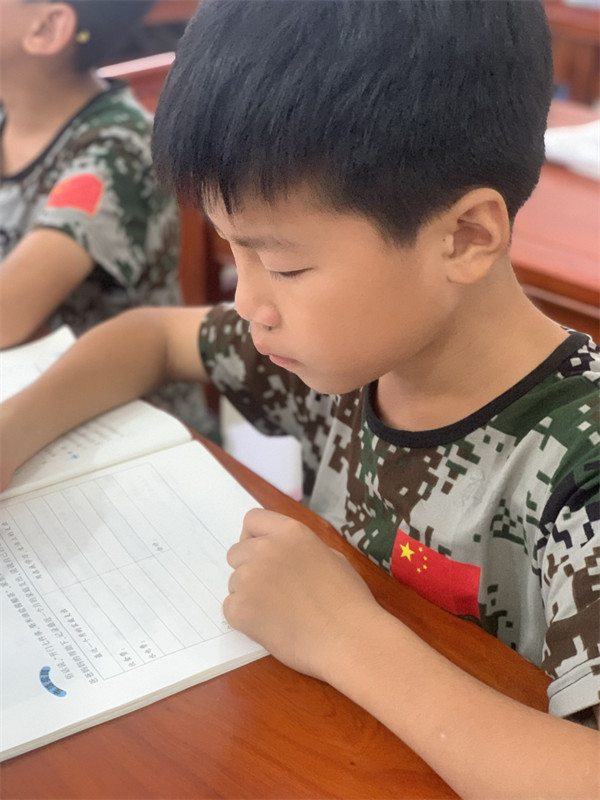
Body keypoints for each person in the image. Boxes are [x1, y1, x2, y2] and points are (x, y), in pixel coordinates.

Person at [1, 1, 598, 796]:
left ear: (464, 237)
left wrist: (346, 638)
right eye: (233, 252)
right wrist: (10, 432)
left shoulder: (580, 463)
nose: (249, 304)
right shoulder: (347, 350)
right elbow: (148, 338)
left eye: (284, 266)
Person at [0, 0, 216, 437]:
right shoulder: (8, 119)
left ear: (48, 28)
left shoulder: (117, 146)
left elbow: (7, 313)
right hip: (30, 398)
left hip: (132, 428)